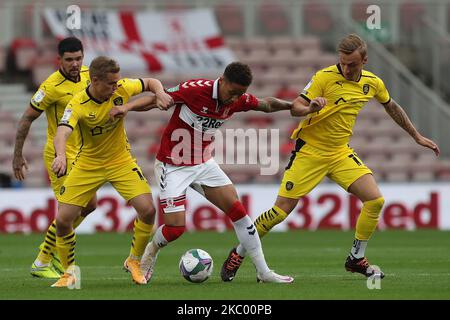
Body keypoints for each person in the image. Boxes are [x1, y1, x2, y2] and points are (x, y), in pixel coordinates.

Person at [221, 34, 440, 281]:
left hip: (339, 152)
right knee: (281, 211)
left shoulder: (373, 83)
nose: (346, 68)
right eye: (343, 62)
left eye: (352, 64)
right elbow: (296, 107)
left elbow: (391, 106)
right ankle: (238, 252)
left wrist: (416, 136)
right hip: (310, 151)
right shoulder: (324, 77)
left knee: (375, 201)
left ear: (364, 61)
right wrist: (311, 108)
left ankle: (356, 258)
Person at [111, 61, 295, 284]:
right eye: (233, 91)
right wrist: (126, 108)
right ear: (223, 80)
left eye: (241, 94)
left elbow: (266, 104)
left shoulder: (237, 99)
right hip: (173, 165)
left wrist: (292, 106)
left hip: (203, 164)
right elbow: (155, 99)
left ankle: (263, 272)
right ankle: (150, 252)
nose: (235, 98)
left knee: (238, 211)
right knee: (175, 228)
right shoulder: (196, 89)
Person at [49, 56, 173, 287]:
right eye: (110, 84)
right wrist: (60, 155)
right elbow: (62, 132)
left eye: (117, 82)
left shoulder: (122, 87)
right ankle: (69, 274)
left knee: (147, 210)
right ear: (95, 81)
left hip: (120, 161)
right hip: (88, 164)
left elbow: (151, 82)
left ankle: (134, 261)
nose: (116, 87)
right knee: (63, 220)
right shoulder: (77, 103)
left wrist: (161, 92)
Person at [12, 37, 97, 278]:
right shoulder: (51, 86)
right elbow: (26, 119)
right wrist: (17, 156)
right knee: (67, 211)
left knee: (90, 205)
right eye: (69, 59)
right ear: (58, 60)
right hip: (59, 154)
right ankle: (43, 261)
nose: (74, 63)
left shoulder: (89, 75)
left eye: (78, 58)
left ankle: (48, 255)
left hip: (82, 153)